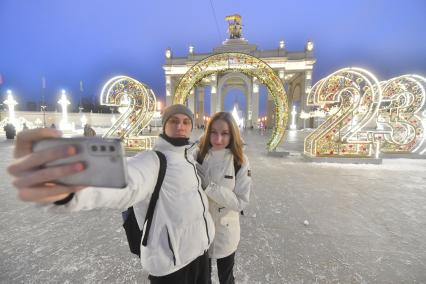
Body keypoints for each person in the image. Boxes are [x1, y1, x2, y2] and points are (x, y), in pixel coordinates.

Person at [7, 104, 215, 284]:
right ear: (164, 125)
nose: (180, 126)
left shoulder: (190, 158)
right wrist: (69, 178)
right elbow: (128, 177)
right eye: (174, 121)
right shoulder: (153, 160)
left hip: (200, 255)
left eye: (186, 122)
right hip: (172, 264)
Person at [195, 112, 252, 284]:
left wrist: (210, 187)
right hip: (200, 230)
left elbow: (241, 202)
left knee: (225, 278)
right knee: (202, 279)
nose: (218, 138)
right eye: (213, 132)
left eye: (225, 133)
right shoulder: (198, 155)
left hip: (225, 231)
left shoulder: (239, 161)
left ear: (232, 134)